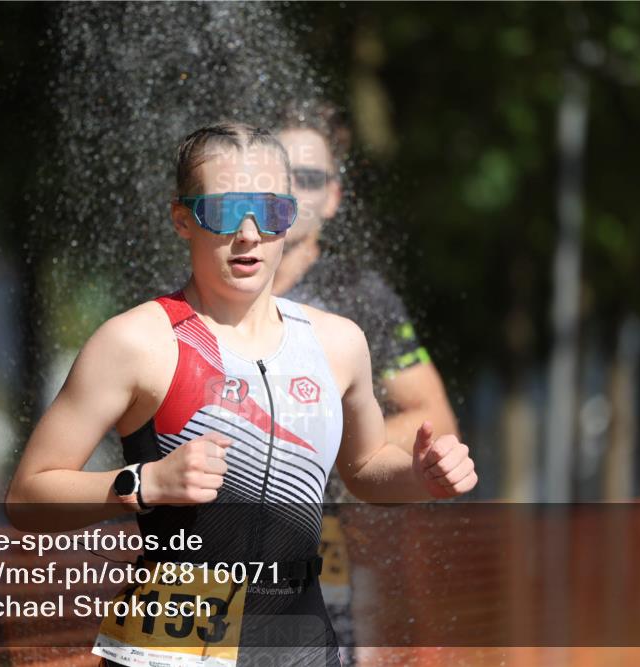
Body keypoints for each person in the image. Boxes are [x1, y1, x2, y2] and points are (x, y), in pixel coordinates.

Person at [6, 122, 478, 667]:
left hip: (298, 636)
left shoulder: (339, 343)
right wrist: (144, 482)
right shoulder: (136, 342)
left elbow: (365, 465)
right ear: (182, 219)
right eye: (227, 211)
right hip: (173, 638)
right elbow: (26, 498)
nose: (249, 233)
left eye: (271, 212)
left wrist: (419, 477)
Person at [272, 103, 461, 665]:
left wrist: (323, 447)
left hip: (320, 543)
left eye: (308, 178)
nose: (292, 190)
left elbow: (434, 419)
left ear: (333, 197)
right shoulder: (211, 283)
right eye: (279, 174)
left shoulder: (360, 294)